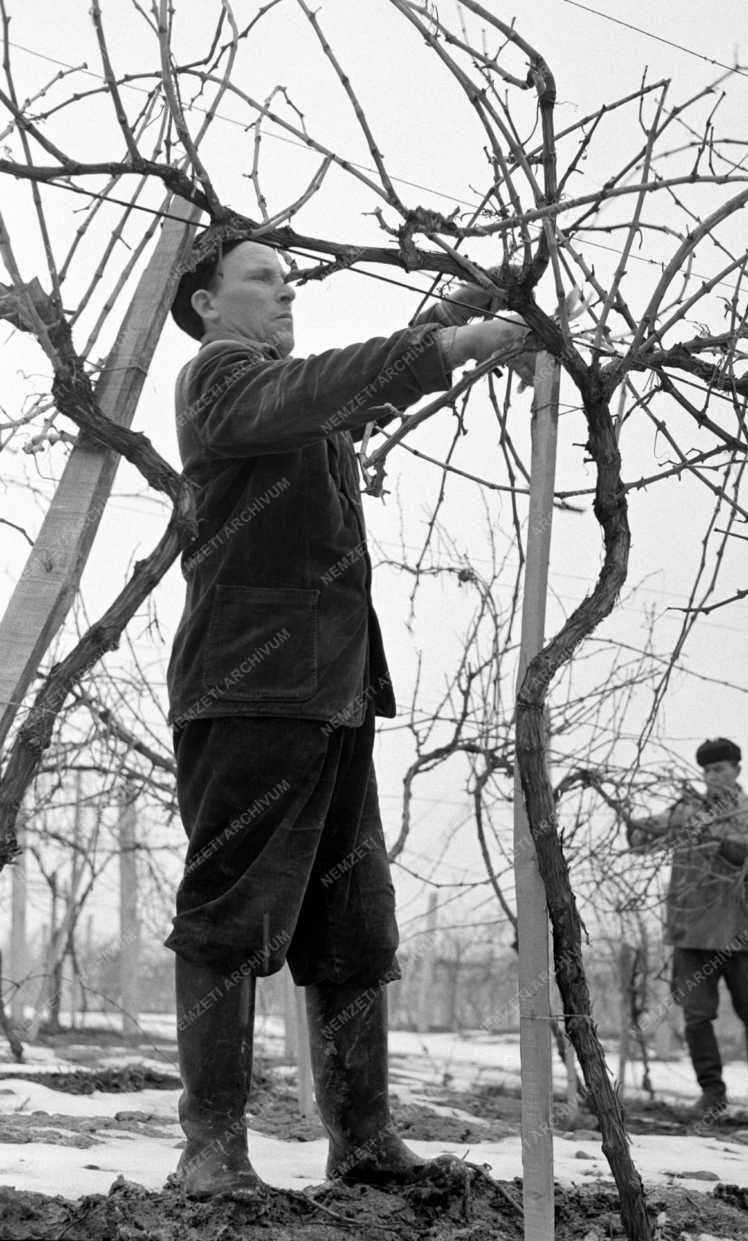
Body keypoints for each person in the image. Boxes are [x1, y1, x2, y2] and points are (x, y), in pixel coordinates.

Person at [164, 234, 534, 1197]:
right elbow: (321, 390)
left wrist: (462, 316)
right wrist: (444, 351)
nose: (287, 294)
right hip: (248, 689)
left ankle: (362, 1138)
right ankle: (211, 1148)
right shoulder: (218, 383)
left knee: (353, 926)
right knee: (229, 920)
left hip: (332, 694)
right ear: (205, 304)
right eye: (262, 280)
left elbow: (346, 392)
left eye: (290, 281)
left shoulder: (292, 403)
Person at [624, 737, 748, 1128]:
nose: (713, 777)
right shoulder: (685, 811)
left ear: (737, 770)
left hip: (741, 929)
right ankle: (712, 1094)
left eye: (721, 769)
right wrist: (627, 814)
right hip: (691, 930)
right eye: (708, 771)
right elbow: (641, 840)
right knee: (697, 1017)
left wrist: (712, 837)